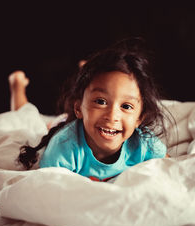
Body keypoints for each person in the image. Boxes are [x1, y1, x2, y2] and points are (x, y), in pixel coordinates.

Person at [17, 38, 170, 182]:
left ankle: (86, 72)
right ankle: (17, 88)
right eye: (101, 101)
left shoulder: (145, 144)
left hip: (84, 115)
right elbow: (46, 188)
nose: (112, 116)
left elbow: (170, 167)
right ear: (78, 108)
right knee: (28, 117)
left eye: (126, 106)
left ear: (139, 118)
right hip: (64, 122)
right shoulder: (63, 147)